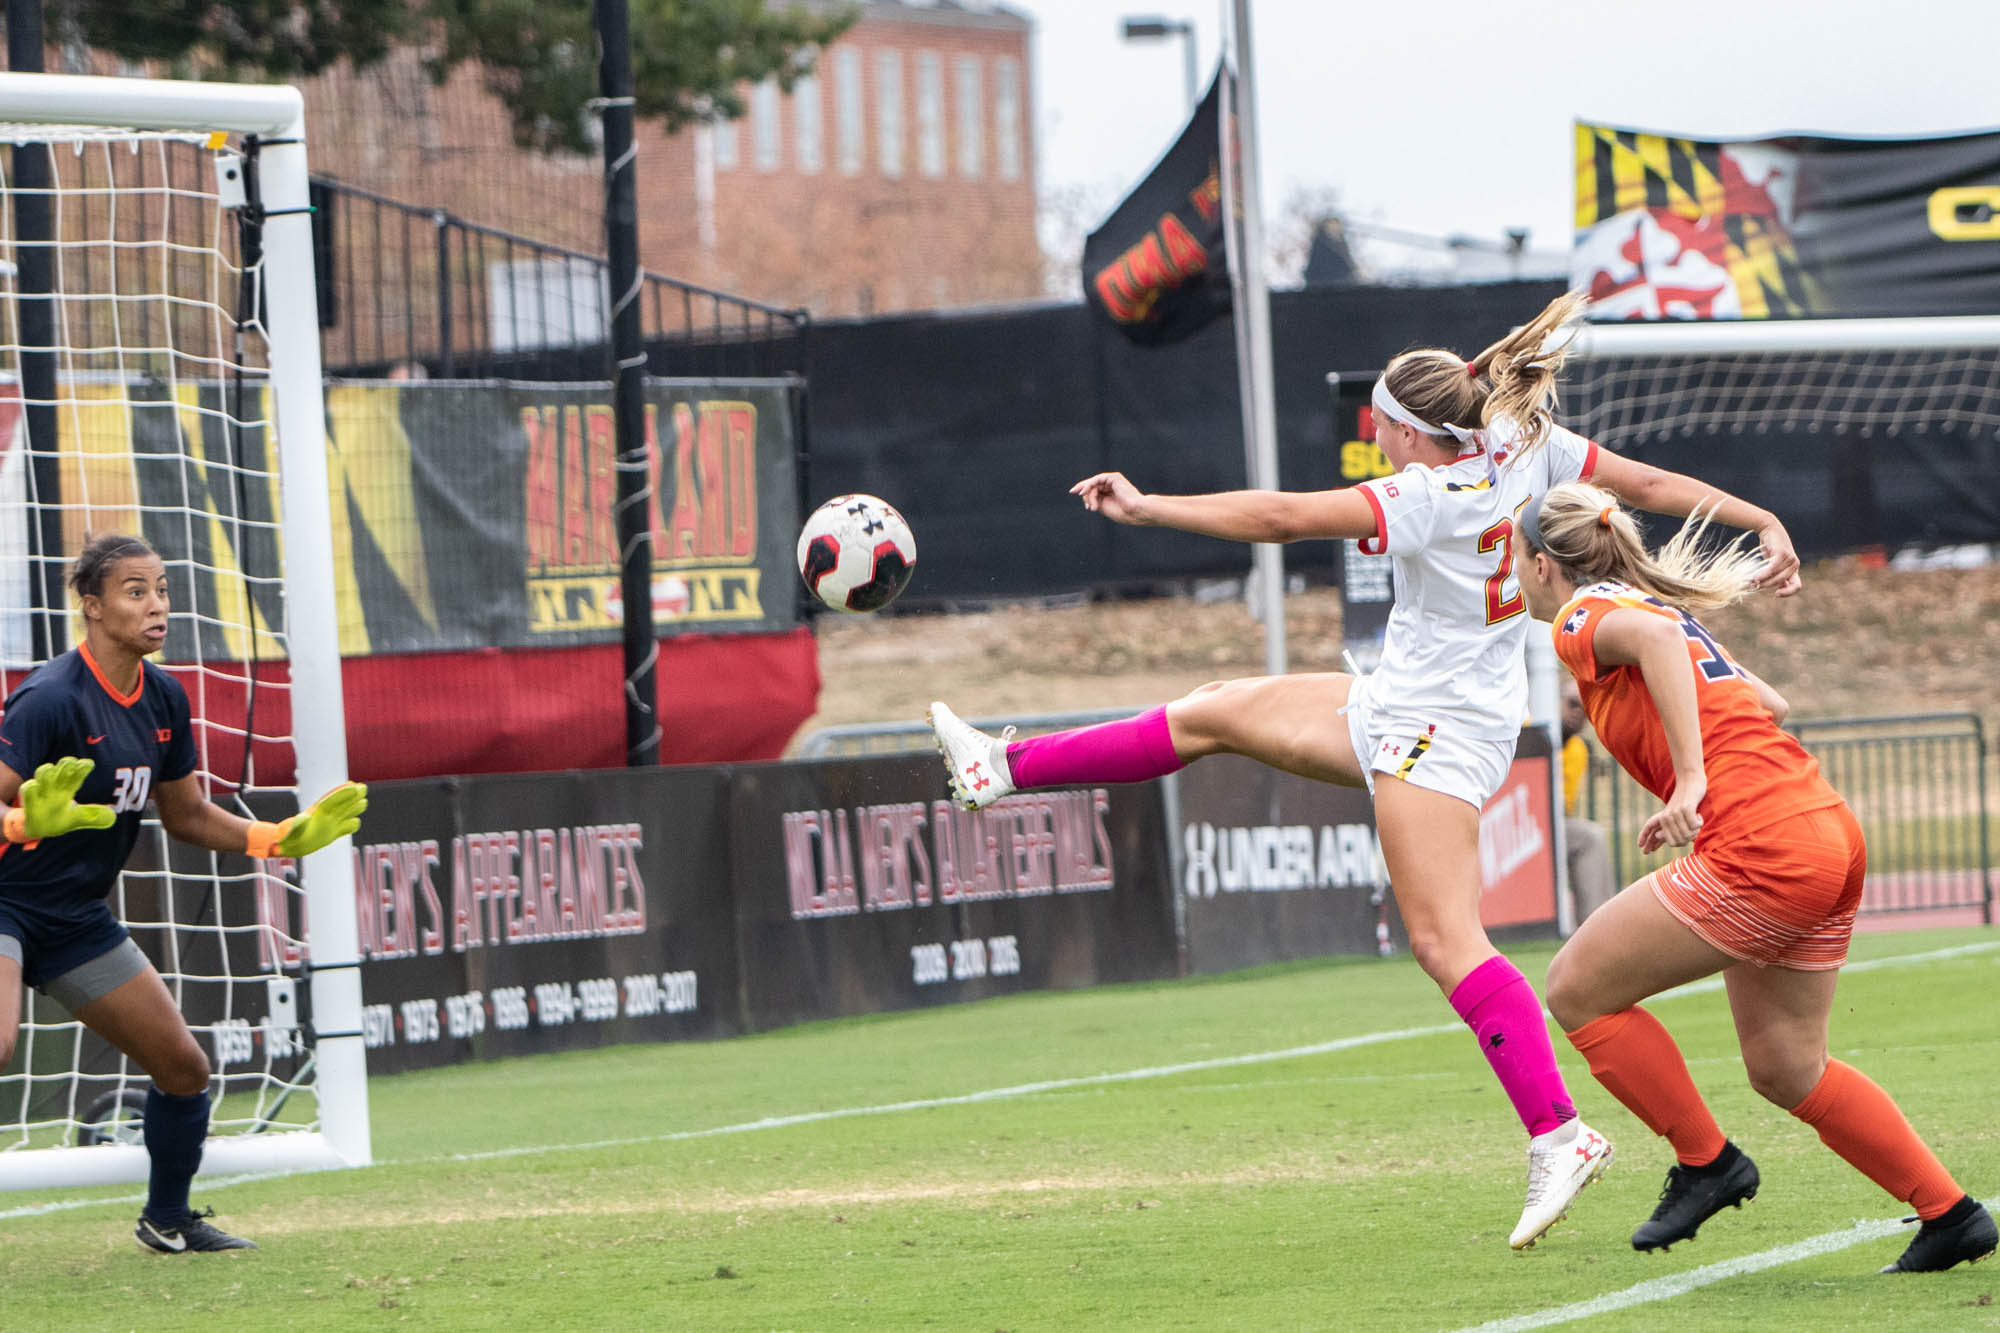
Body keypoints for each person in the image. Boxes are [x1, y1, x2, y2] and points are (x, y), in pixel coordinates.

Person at [928, 290, 1803, 1250]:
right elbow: (1648, 481)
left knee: (1444, 939)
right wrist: (1757, 514)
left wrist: (1149, 507)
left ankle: (1559, 1132)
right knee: (1213, 711)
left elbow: (1280, 516)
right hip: (1409, 705)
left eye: (1380, 424)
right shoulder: (1523, 445)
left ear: (1404, 431)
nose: (1373, 437)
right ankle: (1000, 768)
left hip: (1433, 732)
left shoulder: (1431, 495)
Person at [1516, 481, 1997, 1272]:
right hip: (1826, 828)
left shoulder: (1582, 617)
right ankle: (1951, 1214)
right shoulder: (1652, 611)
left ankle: (1707, 1161)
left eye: (1513, 556)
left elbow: (1666, 654)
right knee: (1786, 1065)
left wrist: (1693, 782)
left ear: (1545, 562)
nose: (1512, 574)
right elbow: (1765, 700)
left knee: (1574, 987)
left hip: (1765, 842)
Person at [0, 533, 367, 1253]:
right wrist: (20, 820)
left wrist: (276, 837)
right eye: (135, 591)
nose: (157, 604)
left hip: (74, 917)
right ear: (93, 607)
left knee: (183, 1067)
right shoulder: (47, 699)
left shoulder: (164, 695)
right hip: (5, 900)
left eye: (162, 588)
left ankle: (167, 1218)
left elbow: (187, 814)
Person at [1559, 675, 1617, 923]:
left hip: (1549, 827)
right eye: (1572, 704)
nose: (1578, 714)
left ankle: (1600, 924)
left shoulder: (1577, 750)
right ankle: (1598, 926)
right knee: (1590, 837)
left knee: (1592, 836)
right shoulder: (1526, 730)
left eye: (1585, 710)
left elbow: (1562, 808)